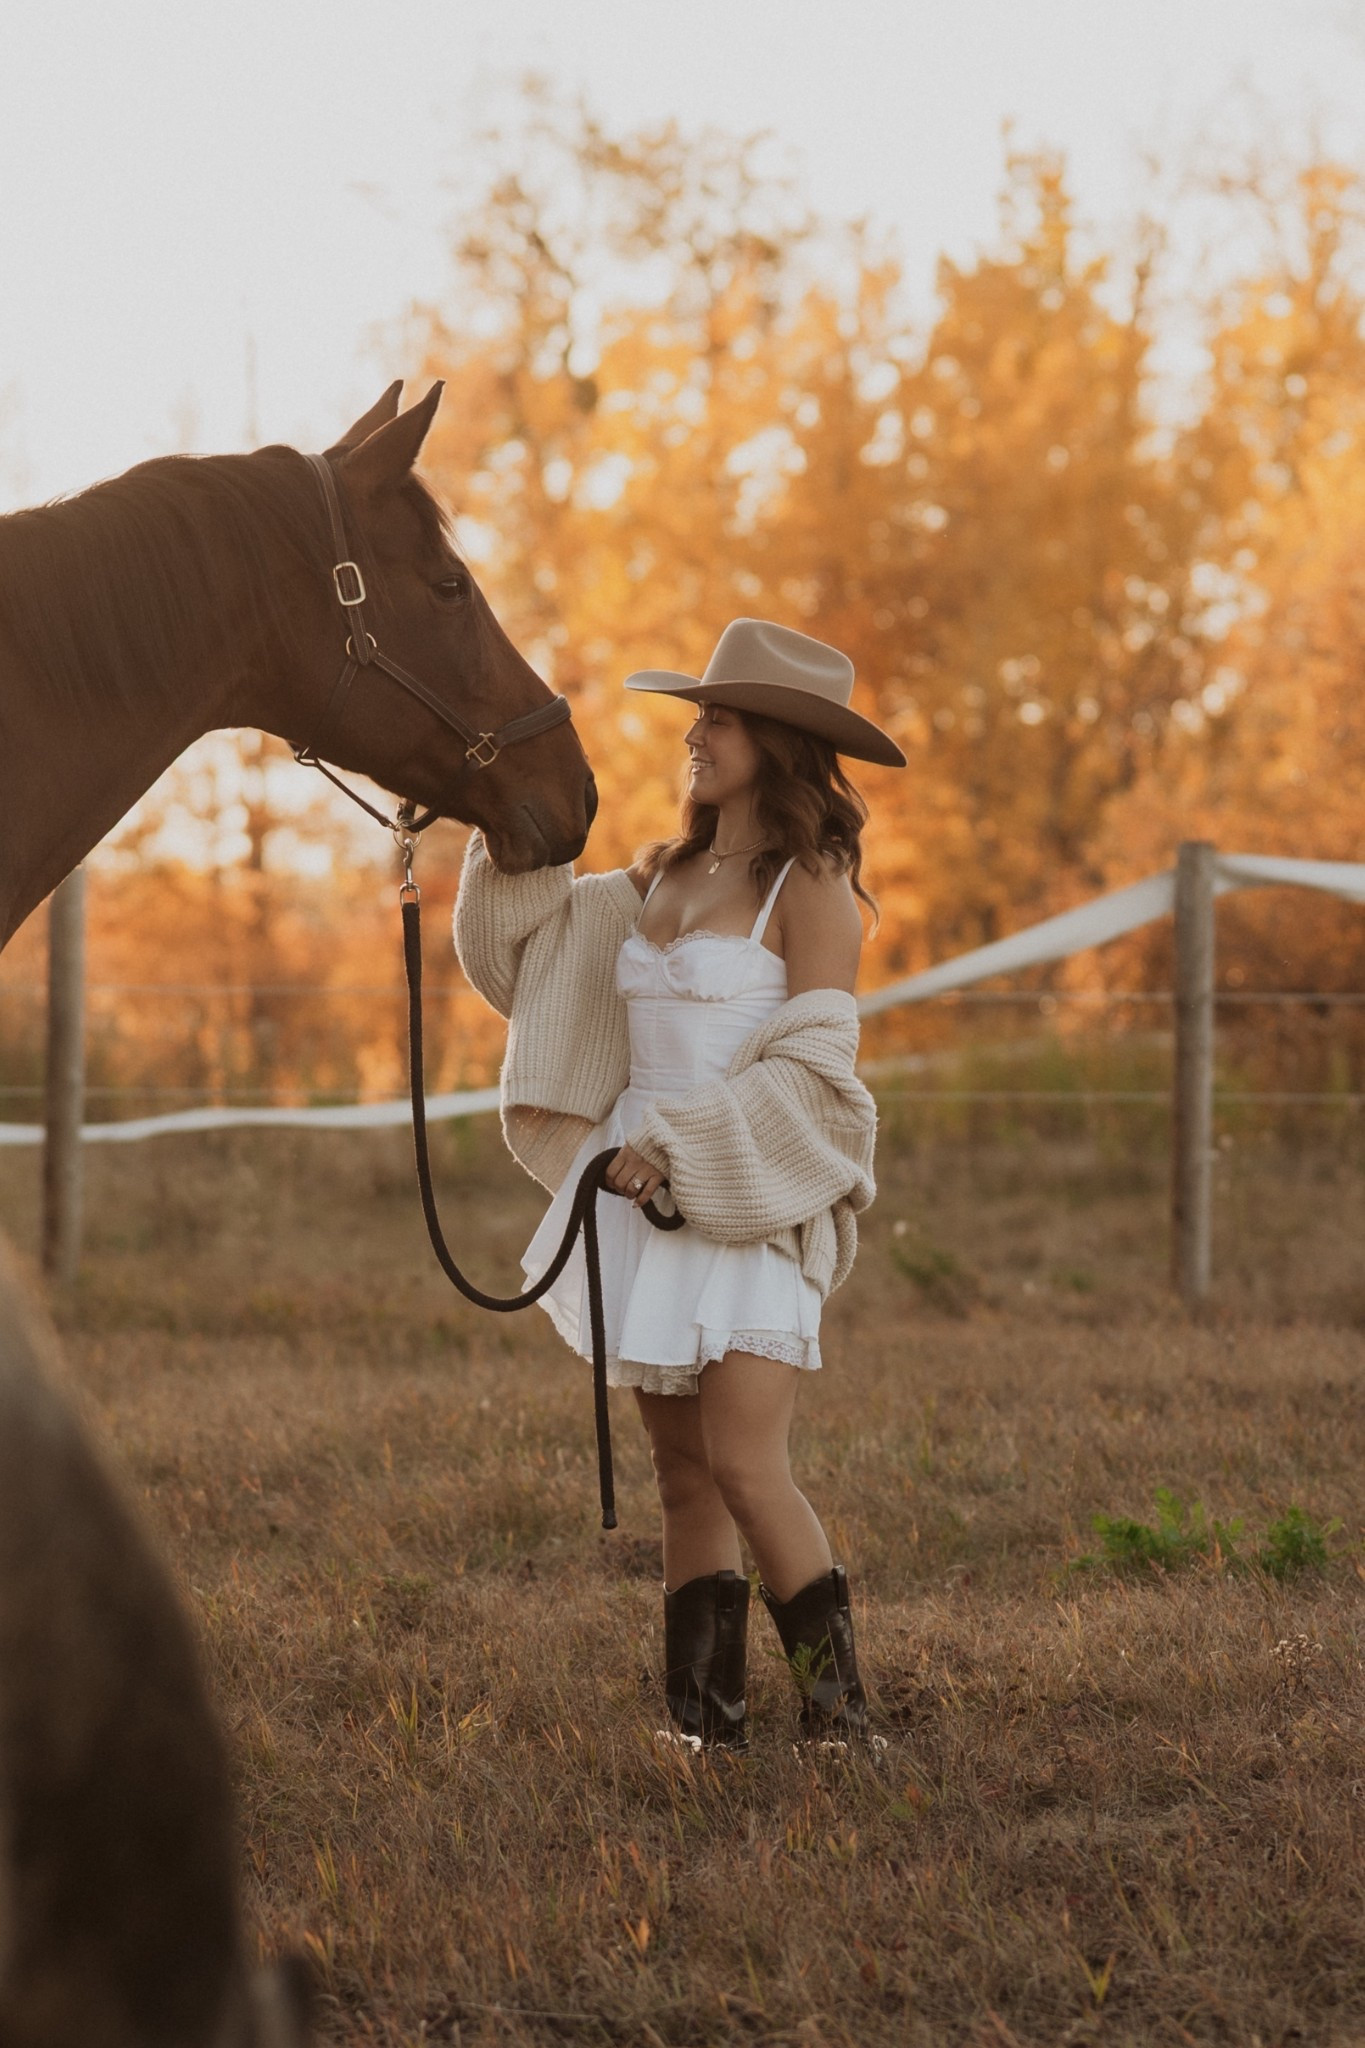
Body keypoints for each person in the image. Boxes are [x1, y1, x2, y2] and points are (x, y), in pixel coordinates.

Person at [454, 618, 906, 1752]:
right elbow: (516, 958)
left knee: (750, 1465)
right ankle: (703, 1728)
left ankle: (844, 1723)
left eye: (720, 715)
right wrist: (472, 812)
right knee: (681, 1474)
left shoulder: (813, 887)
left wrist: (690, 1148)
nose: (694, 735)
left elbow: (815, 1071)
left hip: (744, 1191)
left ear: (781, 739)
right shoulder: (654, 875)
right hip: (637, 1206)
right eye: (697, 715)